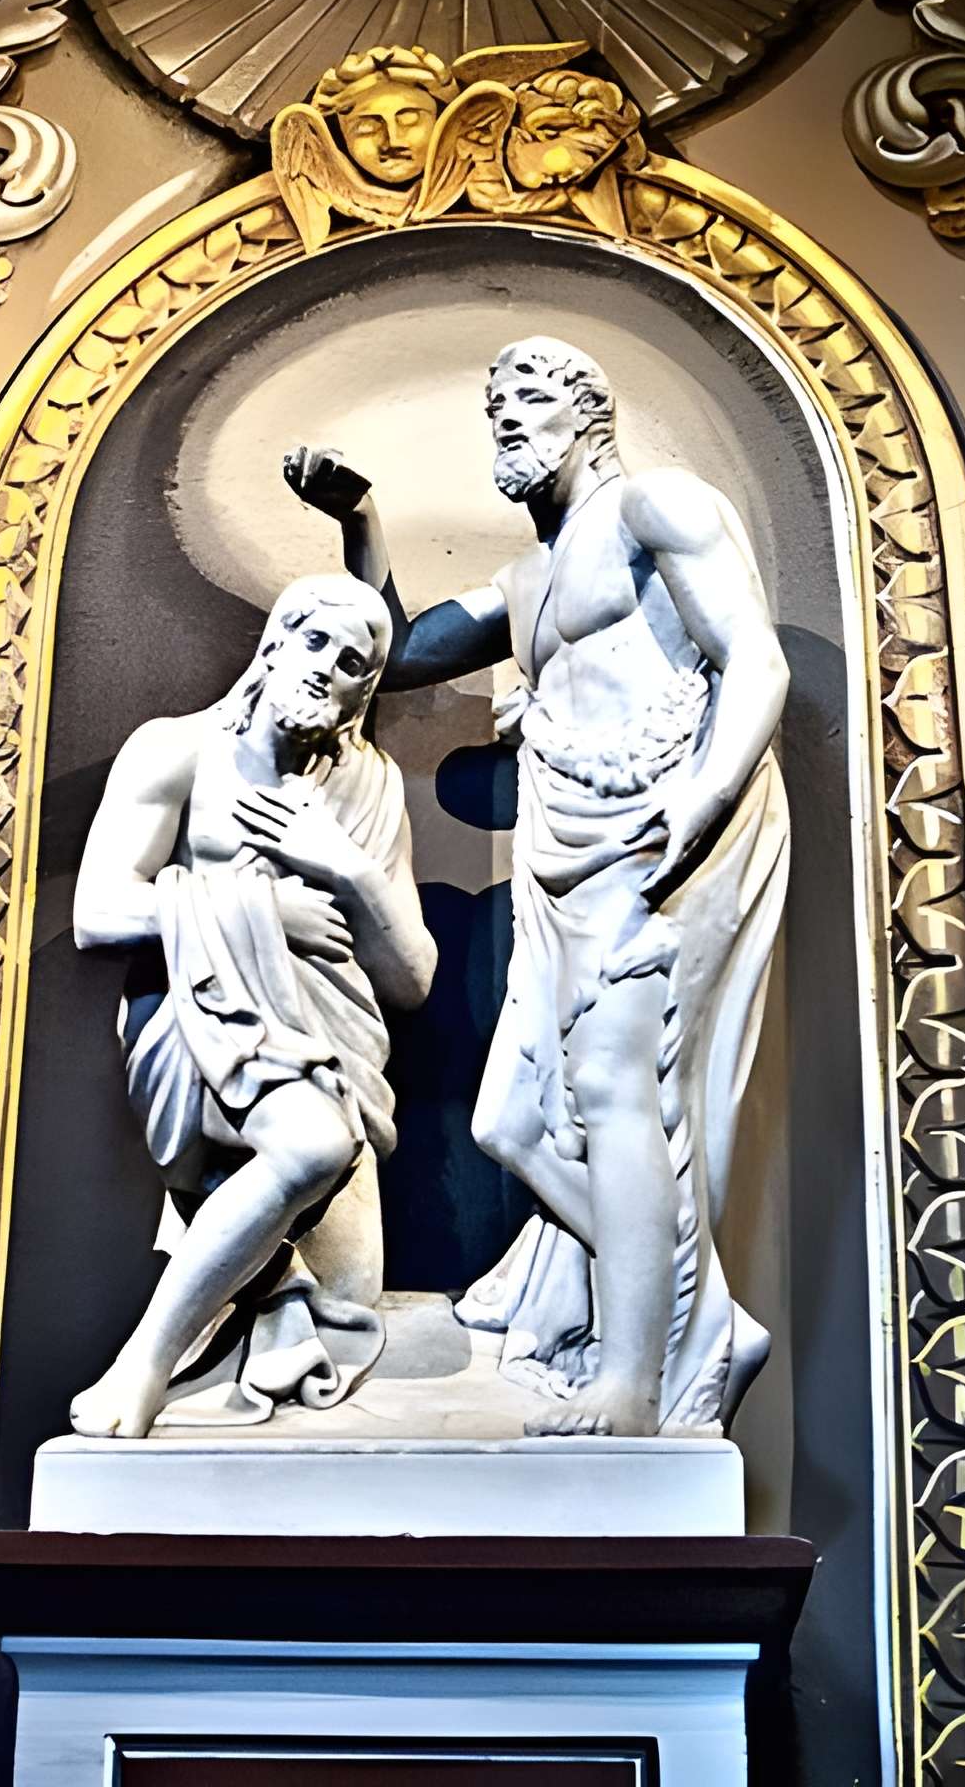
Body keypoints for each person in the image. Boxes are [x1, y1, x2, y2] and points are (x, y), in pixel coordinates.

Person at [285, 335, 790, 1436]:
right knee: (511, 1121)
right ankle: (702, 1319)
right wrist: (360, 517)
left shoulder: (657, 506)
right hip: (567, 859)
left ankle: (633, 1377)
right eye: (493, 411)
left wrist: (696, 805)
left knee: (613, 1093)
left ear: (588, 411)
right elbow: (396, 653)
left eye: (524, 405)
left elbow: (755, 659)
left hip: (655, 831)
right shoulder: (526, 578)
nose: (504, 426)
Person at [66, 574, 437, 1438]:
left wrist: (341, 865)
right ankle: (141, 1367)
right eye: (313, 643)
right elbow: (96, 912)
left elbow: (411, 976)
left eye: (353, 664)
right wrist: (270, 911)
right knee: (313, 1145)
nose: (325, 671)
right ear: (273, 644)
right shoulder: (178, 750)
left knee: (347, 1304)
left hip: (328, 1051)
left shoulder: (368, 790)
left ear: (362, 697)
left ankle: (270, 1302)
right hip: (198, 1029)